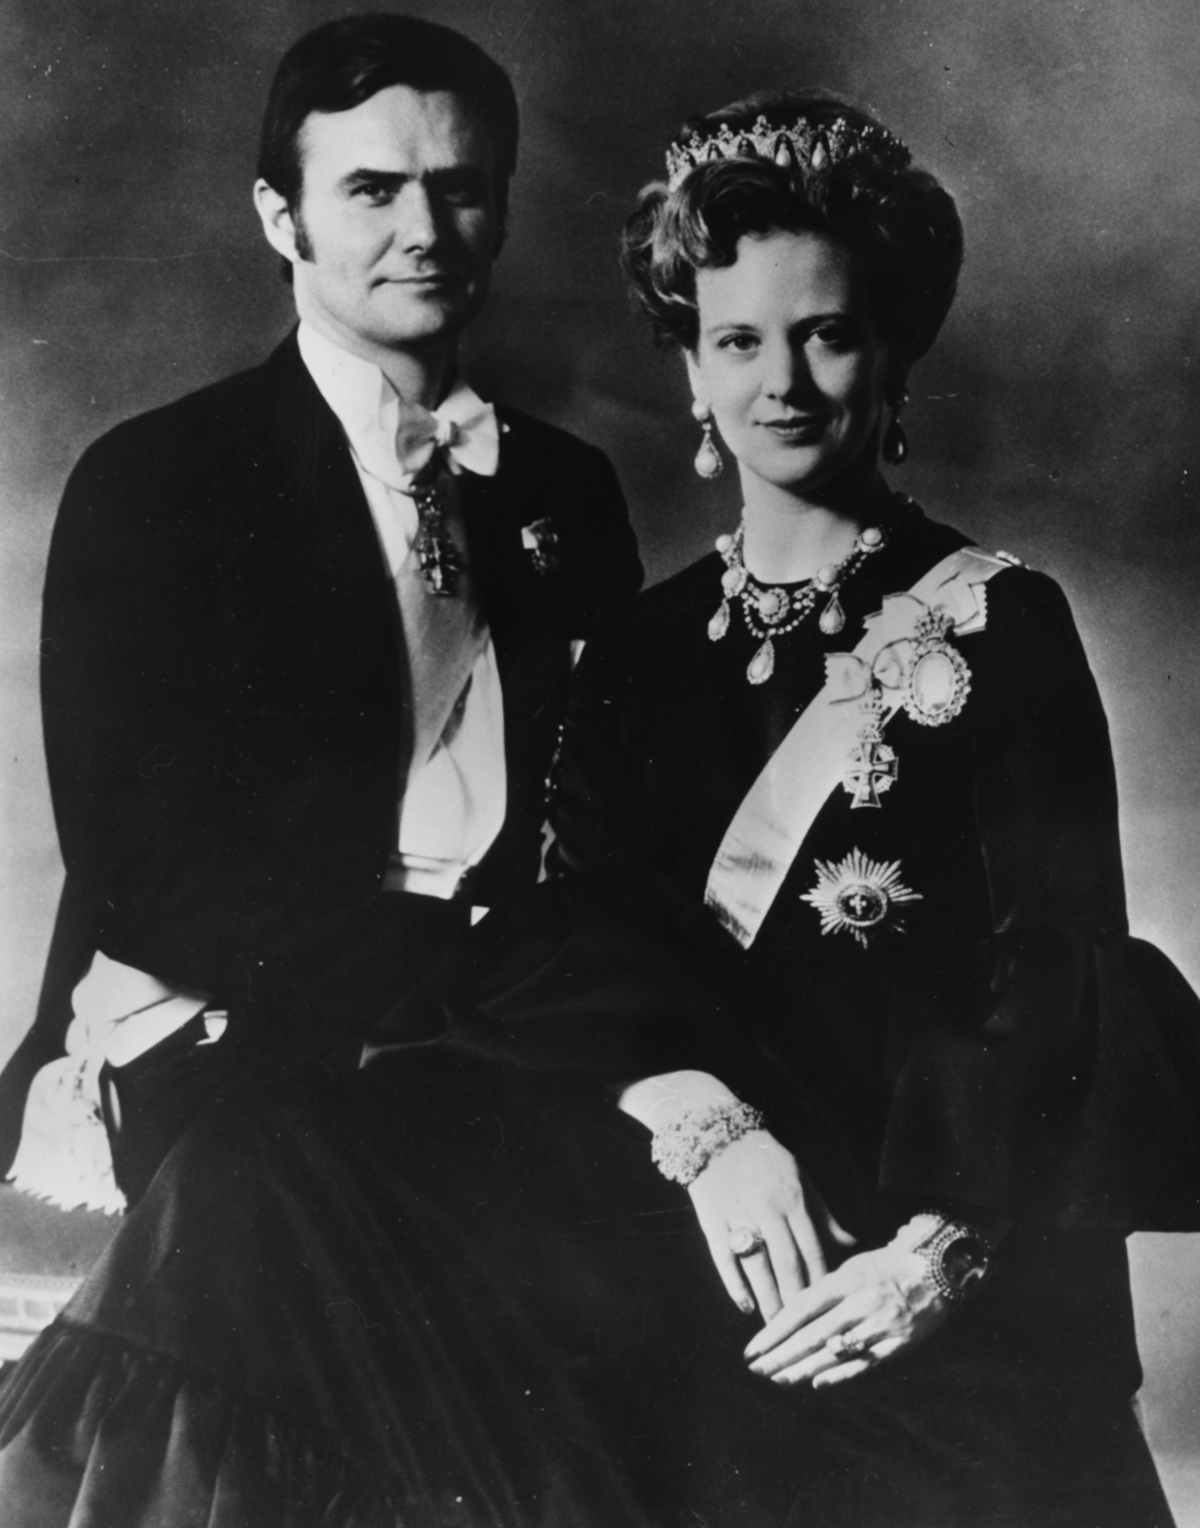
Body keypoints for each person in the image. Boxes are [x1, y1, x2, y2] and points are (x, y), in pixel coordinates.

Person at [1, 90, 1198, 1528]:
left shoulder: (1007, 624)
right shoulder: (642, 647)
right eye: (737, 341)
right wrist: (707, 1129)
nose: (786, 383)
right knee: (260, 1182)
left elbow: (1065, 981)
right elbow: (581, 940)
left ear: (893, 355)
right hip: (674, 1193)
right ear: (690, 371)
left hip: (895, 1226)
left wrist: (942, 1252)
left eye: (826, 334)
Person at [0, 14, 640, 1214]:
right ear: (279, 217)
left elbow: (600, 821)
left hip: (499, 1040)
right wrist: (476, 986)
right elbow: (154, 874)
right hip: (234, 1042)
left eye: (458, 190)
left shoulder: (564, 488)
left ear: (499, 211)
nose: (422, 232)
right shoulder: (156, 479)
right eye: (371, 190)